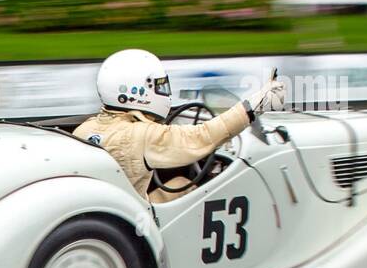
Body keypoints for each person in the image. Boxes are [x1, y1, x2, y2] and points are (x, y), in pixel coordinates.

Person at [76, 49, 286, 202]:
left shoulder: (84, 129)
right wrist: (253, 107)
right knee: (185, 186)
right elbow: (203, 136)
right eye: (158, 85)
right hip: (136, 222)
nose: (164, 91)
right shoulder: (144, 135)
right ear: (137, 91)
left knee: (175, 181)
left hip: (107, 212)